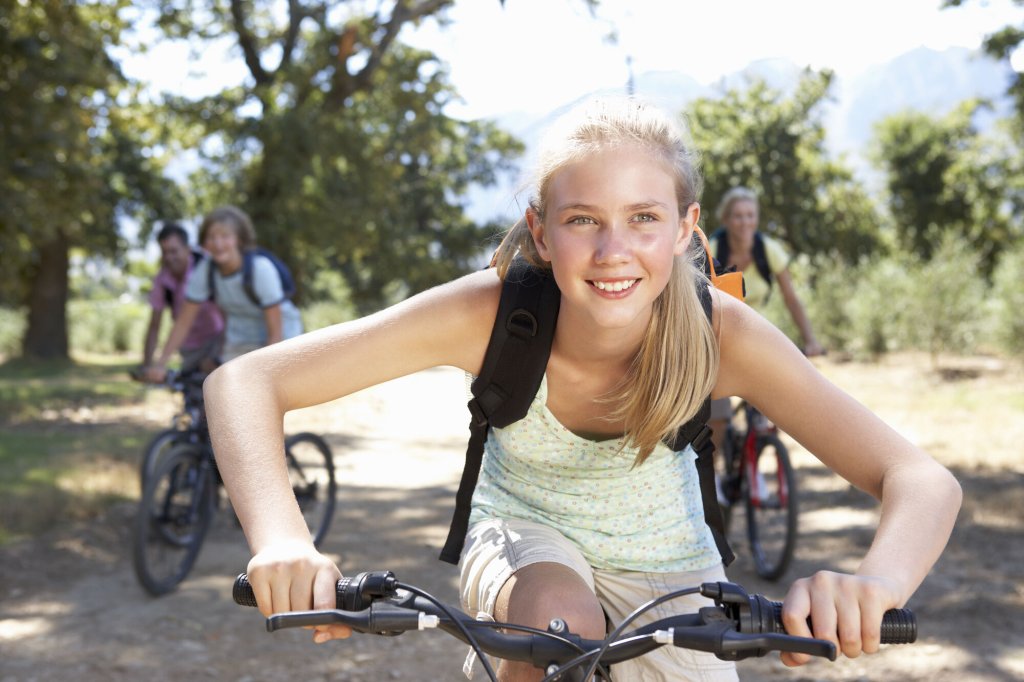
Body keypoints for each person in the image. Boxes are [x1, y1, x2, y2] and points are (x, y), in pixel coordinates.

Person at [203, 98, 960, 682]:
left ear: (684, 229)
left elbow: (920, 480)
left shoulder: (721, 332)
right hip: (526, 534)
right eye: (582, 220)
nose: (612, 250)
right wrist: (281, 540)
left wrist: (873, 583)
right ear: (540, 231)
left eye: (642, 218)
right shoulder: (493, 312)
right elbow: (245, 383)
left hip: (672, 560)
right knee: (556, 630)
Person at [708, 187, 824, 475]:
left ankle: (755, 468)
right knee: (718, 417)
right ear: (726, 219)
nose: (744, 222)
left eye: (750, 215)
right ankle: (716, 476)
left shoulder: (767, 250)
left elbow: (791, 299)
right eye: (737, 216)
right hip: (716, 337)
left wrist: (810, 339)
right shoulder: (711, 249)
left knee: (775, 405)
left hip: (753, 336)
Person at [144, 206, 303, 382]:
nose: (218, 244)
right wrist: (161, 364)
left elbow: (276, 330)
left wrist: (270, 370)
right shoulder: (205, 271)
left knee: (272, 388)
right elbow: (183, 322)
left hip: (281, 334)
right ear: (204, 243)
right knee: (230, 391)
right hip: (240, 338)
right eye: (212, 237)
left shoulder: (260, 269)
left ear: (239, 240)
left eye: (225, 236)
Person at [141, 222, 224, 374]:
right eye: (164, 252)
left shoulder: (207, 268)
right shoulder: (162, 280)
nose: (168, 257)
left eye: (173, 251)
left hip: (217, 340)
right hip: (189, 346)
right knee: (192, 391)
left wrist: (221, 353)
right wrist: (148, 366)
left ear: (187, 249)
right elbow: (155, 325)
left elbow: (228, 310)